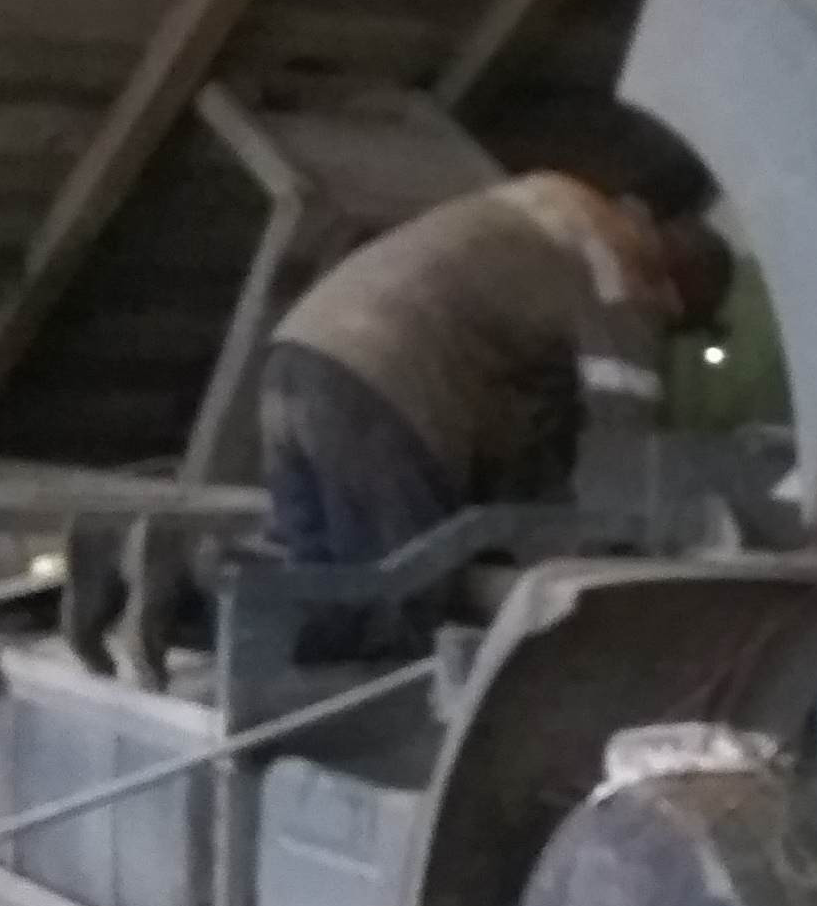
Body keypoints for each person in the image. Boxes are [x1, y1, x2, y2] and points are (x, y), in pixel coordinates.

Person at [256, 133, 727, 590]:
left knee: (319, 592)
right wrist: (627, 551)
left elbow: (523, 421)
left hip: (298, 357)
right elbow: (625, 452)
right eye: (676, 327)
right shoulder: (620, 274)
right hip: (384, 390)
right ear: (672, 295)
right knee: (399, 601)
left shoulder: (556, 209)